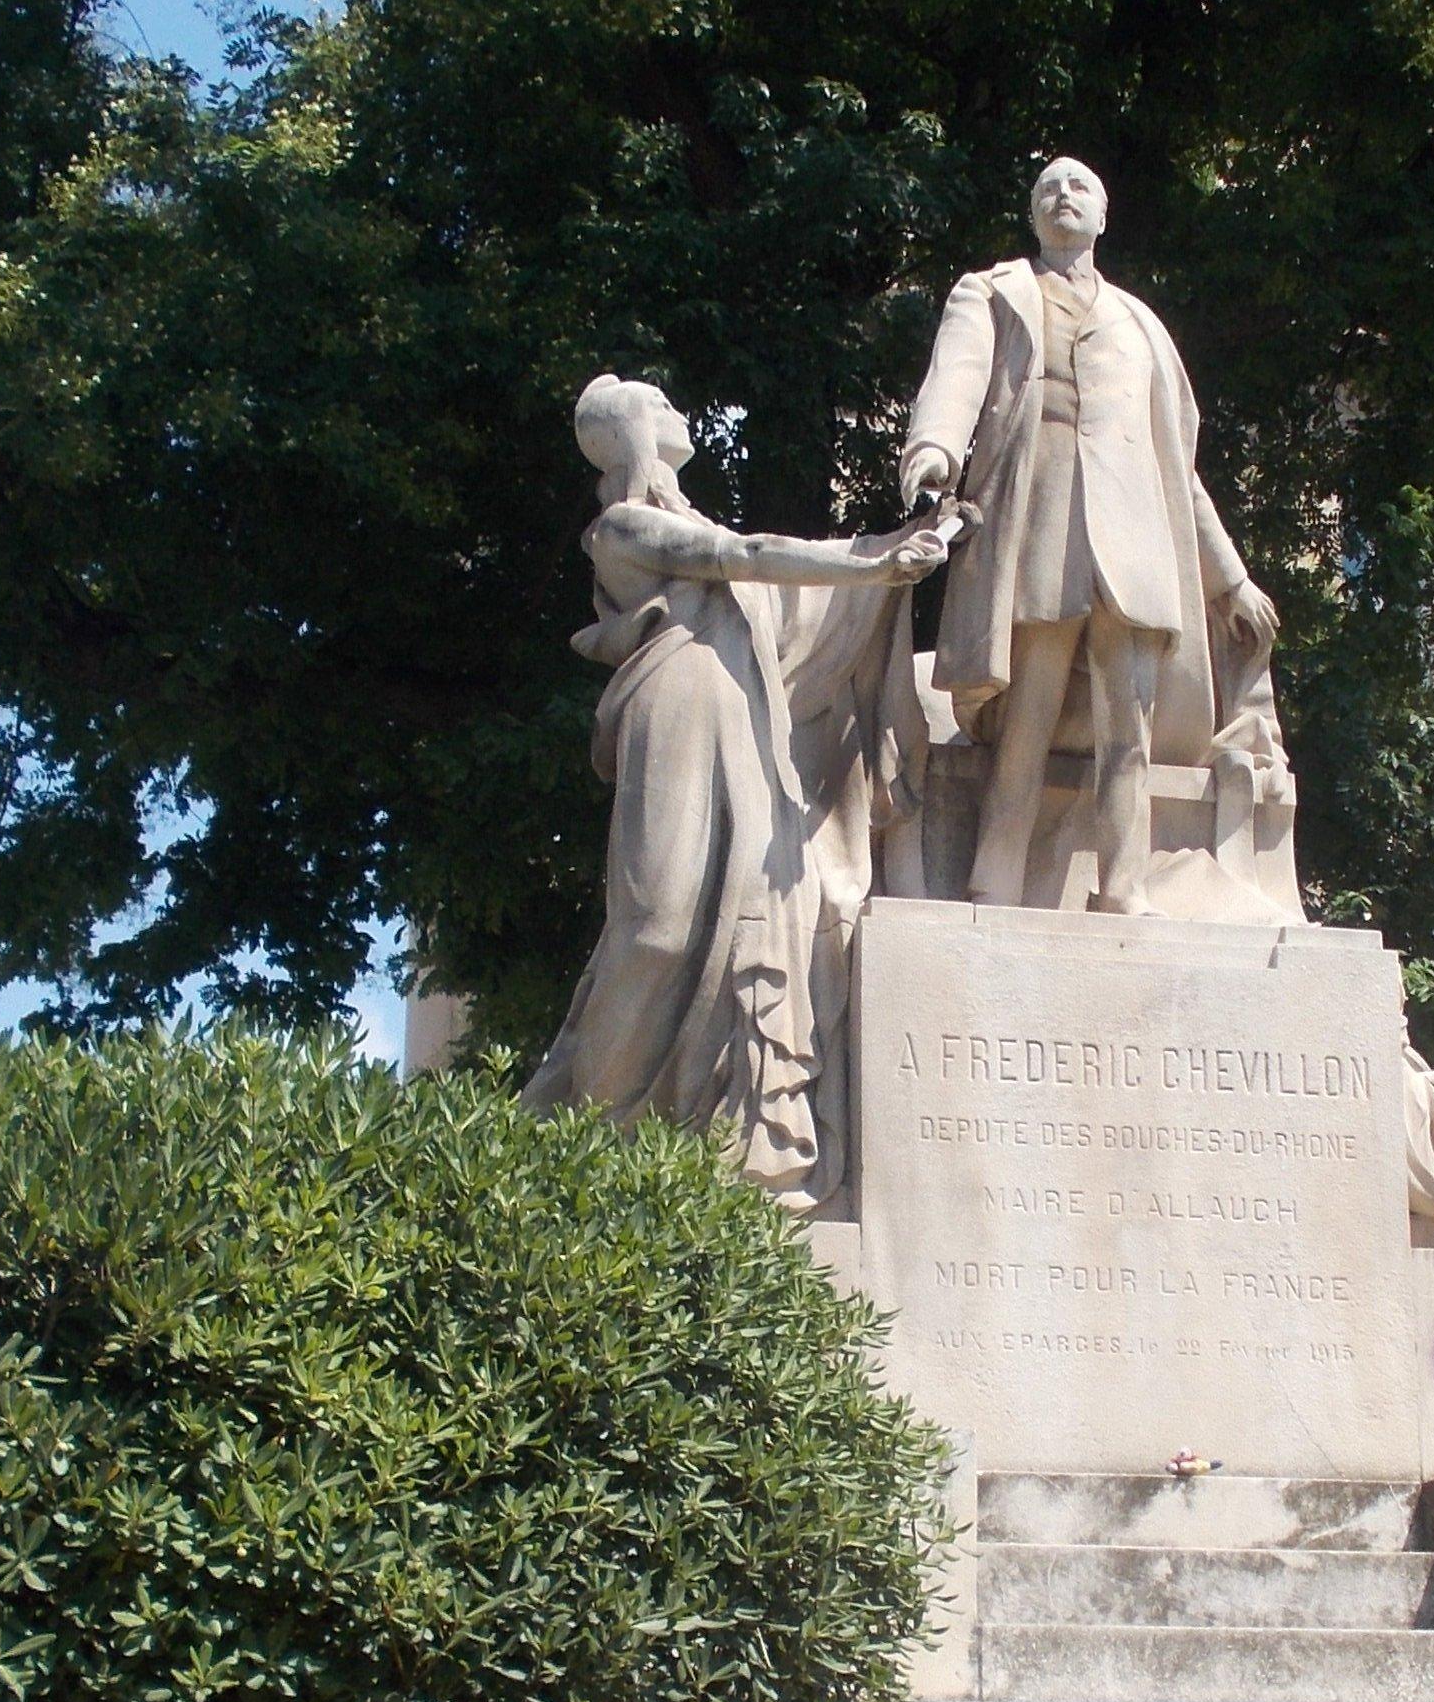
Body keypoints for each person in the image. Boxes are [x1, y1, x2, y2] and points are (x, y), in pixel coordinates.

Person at [523, 378, 954, 1202]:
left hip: (743, 716)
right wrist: (874, 563)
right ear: (629, 435)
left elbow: (790, 608)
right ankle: (582, 1141)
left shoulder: (694, 531)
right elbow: (749, 556)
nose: (679, 411)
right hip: (676, 704)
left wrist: (899, 553)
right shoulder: (621, 527)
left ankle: (699, 1130)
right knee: (658, 928)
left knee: (748, 926)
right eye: (660, 406)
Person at [898, 155, 1277, 913]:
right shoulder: (996, 292)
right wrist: (933, 449)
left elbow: (1179, 471)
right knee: (1026, 720)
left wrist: (1229, 578)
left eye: (1079, 188)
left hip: (1134, 549)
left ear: (1103, 216)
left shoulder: (1141, 326)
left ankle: (1125, 889)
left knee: (1128, 729)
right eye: (1047, 188)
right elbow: (958, 378)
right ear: (1033, 215)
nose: (1062, 196)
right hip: (1040, 532)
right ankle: (993, 879)